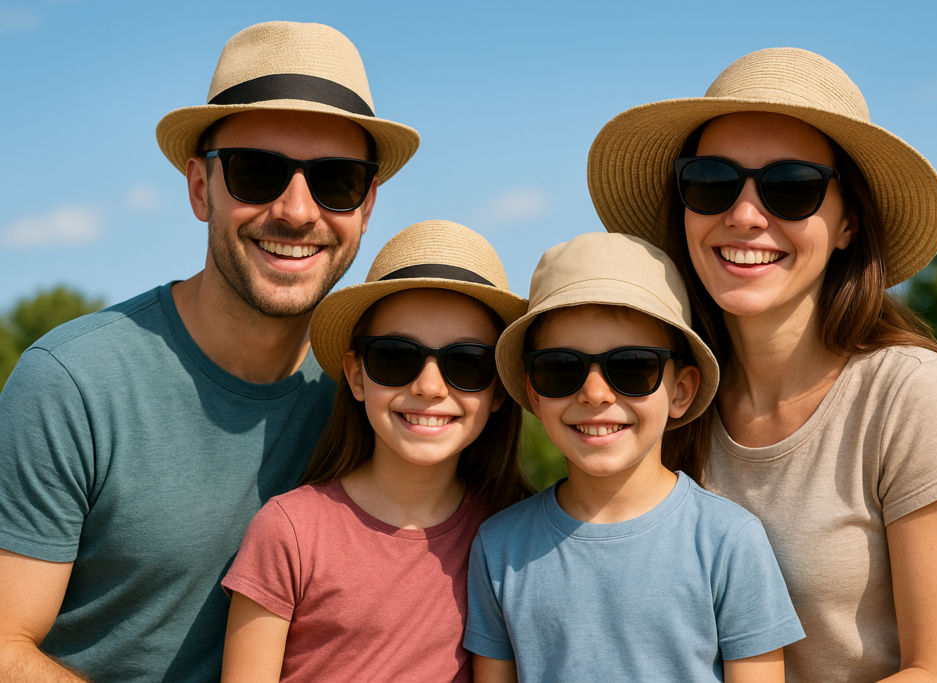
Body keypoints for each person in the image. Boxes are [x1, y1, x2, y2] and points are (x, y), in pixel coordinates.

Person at [0, 21, 419, 683]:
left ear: (367, 207)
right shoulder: (71, 384)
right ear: (201, 188)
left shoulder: (379, 398)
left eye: (336, 181)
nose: (297, 210)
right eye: (257, 173)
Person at [587, 48, 937, 683]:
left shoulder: (913, 396)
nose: (746, 215)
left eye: (791, 187)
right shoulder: (659, 401)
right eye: (711, 181)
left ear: (848, 224)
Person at [465, 232, 805, 683]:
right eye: (561, 368)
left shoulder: (729, 541)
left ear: (681, 391)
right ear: (533, 391)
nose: (594, 394)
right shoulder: (498, 548)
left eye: (632, 367)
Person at [218, 220, 533, 682]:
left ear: (499, 390)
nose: (428, 387)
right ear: (357, 375)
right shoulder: (290, 530)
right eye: (396, 356)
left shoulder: (515, 535)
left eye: (466, 363)